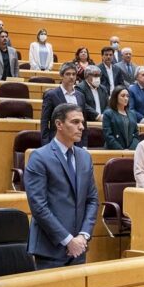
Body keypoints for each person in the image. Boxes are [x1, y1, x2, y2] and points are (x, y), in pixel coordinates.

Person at [25, 104, 99, 268]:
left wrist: (83, 236)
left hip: (79, 248)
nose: (81, 127)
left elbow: (92, 200)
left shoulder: (85, 157)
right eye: (75, 122)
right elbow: (38, 207)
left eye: (82, 122)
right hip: (50, 249)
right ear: (59, 124)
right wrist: (67, 240)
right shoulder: (39, 157)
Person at [40, 64, 85, 144]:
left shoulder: (80, 96)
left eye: (74, 74)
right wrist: (45, 143)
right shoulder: (51, 95)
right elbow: (44, 121)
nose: (71, 77)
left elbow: (84, 122)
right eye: (68, 74)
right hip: (57, 140)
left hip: (77, 142)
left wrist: (84, 144)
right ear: (61, 76)